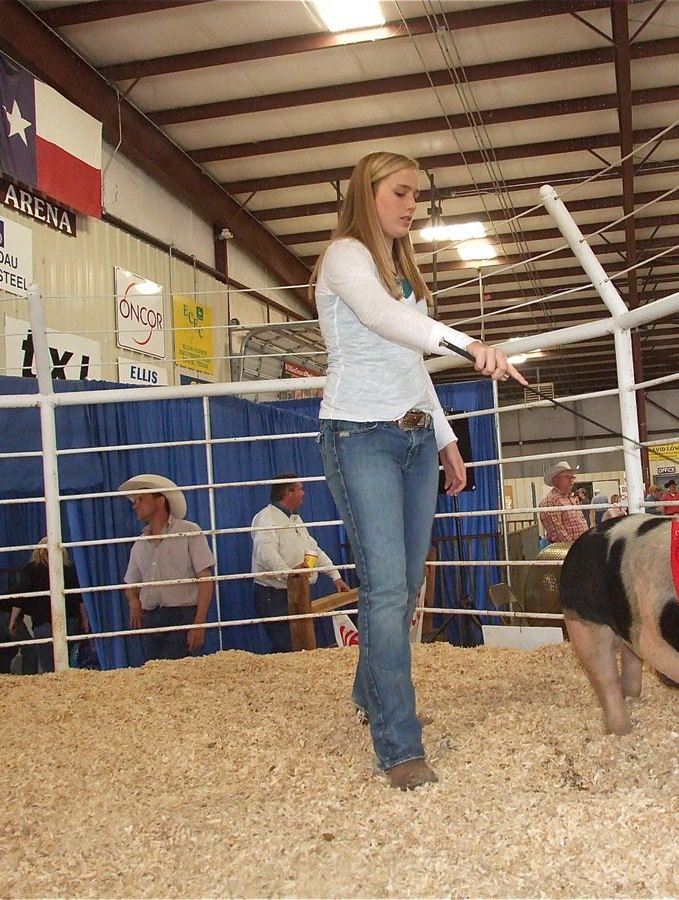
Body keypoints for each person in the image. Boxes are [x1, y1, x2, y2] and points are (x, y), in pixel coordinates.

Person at [312, 151, 524, 791]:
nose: (411, 206)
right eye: (401, 193)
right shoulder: (344, 256)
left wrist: (444, 437)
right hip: (359, 434)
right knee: (384, 591)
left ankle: (371, 692)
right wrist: (470, 345)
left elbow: (410, 362)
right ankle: (399, 744)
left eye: (416, 197)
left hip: (409, 439)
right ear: (367, 191)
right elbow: (386, 322)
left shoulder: (400, 272)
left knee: (403, 587)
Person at [119, 473, 216, 662]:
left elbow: (206, 578)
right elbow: (130, 582)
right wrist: (133, 601)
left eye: (141, 499)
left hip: (181, 615)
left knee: (172, 670)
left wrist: (199, 622)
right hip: (151, 618)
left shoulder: (189, 531)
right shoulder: (140, 543)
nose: (135, 505)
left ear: (160, 501)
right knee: (157, 671)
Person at [251, 473, 350, 653]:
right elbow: (265, 555)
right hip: (274, 595)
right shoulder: (266, 519)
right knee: (288, 644)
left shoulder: (295, 519)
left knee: (298, 643)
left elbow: (313, 550)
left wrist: (335, 576)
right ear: (288, 493)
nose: (304, 493)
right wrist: (288, 573)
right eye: (300, 489)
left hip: (297, 591)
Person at [7, 537, 85, 674]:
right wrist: (85, 620)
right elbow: (79, 598)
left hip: (42, 623)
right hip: (69, 621)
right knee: (68, 662)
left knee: (48, 666)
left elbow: (20, 596)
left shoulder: (31, 570)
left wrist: (13, 619)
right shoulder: (68, 569)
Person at [539, 461, 589, 544]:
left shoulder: (571, 498)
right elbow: (556, 532)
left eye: (572, 477)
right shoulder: (550, 502)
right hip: (567, 551)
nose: (571, 480)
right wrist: (573, 548)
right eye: (567, 477)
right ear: (555, 479)